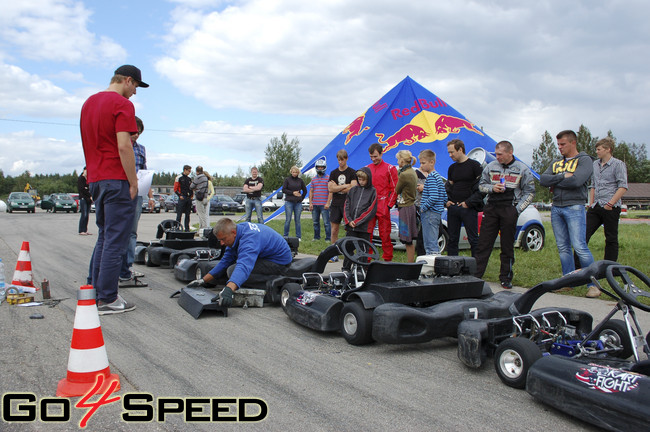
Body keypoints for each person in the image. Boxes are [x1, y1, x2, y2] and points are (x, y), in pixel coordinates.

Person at [80, 64, 148, 315]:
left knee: (104, 237)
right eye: (136, 87)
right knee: (116, 242)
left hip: (96, 179)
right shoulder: (122, 104)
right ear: (128, 81)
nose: (135, 93)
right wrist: (133, 181)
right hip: (116, 179)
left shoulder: (88, 103)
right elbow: (124, 145)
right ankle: (108, 298)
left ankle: (94, 291)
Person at [540, 130, 596, 297]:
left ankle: (593, 285)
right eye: (558, 144)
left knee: (579, 246)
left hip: (575, 207)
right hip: (556, 207)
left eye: (563, 144)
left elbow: (577, 181)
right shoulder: (557, 162)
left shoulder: (585, 160)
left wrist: (555, 181)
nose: (560, 148)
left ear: (573, 143)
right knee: (563, 247)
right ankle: (567, 282)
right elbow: (543, 179)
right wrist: (563, 176)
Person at [186, 218, 293, 305]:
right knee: (231, 270)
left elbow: (244, 266)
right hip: (266, 257)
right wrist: (203, 281)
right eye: (220, 240)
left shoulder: (249, 239)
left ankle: (275, 283)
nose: (222, 243)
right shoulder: (237, 233)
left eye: (223, 239)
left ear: (233, 232)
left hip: (279, 263)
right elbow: (225, 261)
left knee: (232, 271)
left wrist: (228, 290)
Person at [474, 141, 535, 289]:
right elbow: (481, 186)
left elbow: (530, 192)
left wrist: (517, 210)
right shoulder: (490, 166)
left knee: (507, 246)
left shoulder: (522, 169)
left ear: (510, 153)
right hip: (492, 208)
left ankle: (506, 277)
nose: (498, 157)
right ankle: (475, 276)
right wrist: (492, 188)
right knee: (483, 244)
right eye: (496, 154)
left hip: (509, 209)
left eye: (500, 154)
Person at [118, 116, 154, 287]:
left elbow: (145, 173)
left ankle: (127, 268)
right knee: (117, 232)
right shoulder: (118, 146)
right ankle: (114, 269)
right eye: (134, 132)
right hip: (120, 191)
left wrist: (151, 196)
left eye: (139, 132)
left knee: (132, 233)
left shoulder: (141, 149)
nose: (136, 135)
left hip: (137, 195)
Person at [584, 137, 628, 264]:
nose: (597, 152)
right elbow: (593, 185)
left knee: (611, 238)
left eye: (599, 149)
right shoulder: (595, 165)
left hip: (611, 207)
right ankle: (578, 265)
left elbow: (623, 186)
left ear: (608, 149)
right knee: (584, 234)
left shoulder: (618, 164)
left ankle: (609, 266)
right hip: (596, 206)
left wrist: (610, 204)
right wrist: (591, 203)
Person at [445, 139, 483, 257]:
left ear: (460, 149)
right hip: (453, 207)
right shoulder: (452, 168)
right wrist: (446, 201)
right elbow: (448, 187)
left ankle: (476, 267)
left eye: (452, 152)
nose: (450, 155)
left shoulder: (475, 166)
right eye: (449, 153)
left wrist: (468, 203)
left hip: (468, 208)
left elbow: (481, 189)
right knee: (452, 239)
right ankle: (451, 266)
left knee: (473, 239)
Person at [366, 143, 399, 261]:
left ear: (381, 153)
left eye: (375, 156)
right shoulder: (367, 168)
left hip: (383, 204)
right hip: (370, 205)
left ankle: (387, 258)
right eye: (371, 157)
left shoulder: (390, 168)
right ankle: (368, 257)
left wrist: (389, 204)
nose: (373, 159)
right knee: (368, 232)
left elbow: (395, 188)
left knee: (385, 233)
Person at [343, 167, 377, 271]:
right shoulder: (353, 190)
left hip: (364, 228)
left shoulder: (373, 191)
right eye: (359, 179)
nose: (361, 182)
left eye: (363, 179)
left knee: (363, 249)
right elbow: (346, 206)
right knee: (348, 248)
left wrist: (357, 222)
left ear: (368, 179)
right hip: (351, 227)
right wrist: (348, 221)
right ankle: (346, 268)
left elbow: (371, 210)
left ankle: (361, 269)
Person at [328, 149, 357, 261]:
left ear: (346, 159)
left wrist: (338, 187)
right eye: (339, 160)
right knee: (334, 229)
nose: (340, 162)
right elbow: (330, 189)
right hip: (335, 204)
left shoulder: (352, 172)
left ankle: (348, 253)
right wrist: (345, 186)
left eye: (342, 160)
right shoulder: (333, 173)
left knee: (349, 230)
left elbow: (353, 188)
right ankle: (333, 253)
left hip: (347, 204)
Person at [419, 150, 447, 255]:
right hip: (437, 213)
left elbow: (434, 196)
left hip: (430, 213)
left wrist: (423, 207)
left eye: (423, 163)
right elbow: (444, 196)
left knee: (430, 244)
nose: (421, 166)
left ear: (432, 162)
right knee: (433, 242)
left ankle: (433, 266)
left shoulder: (431, 177)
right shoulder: (438, 176)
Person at [394, 150, 418, 262]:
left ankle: (410, 262)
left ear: (402, 160)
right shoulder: (411, 171)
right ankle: (410, 261)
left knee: (407, 239)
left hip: (405, 206)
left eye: (398, 159)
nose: (397, 161)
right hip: (410, 205)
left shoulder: (404, 174)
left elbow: (397, 189)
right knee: (409, 239)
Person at [309, 159, 332, 241]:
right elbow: (311, 191)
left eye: (322, 167)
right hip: (315, 204)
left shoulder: (328, 178)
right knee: (315, 223)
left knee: (326, 223)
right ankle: (316, 237)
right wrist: (310, 203)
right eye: (318, 167)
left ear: (324, 168)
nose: (320, 169)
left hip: (324, 205)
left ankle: (328, 238)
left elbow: (330, 192)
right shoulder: (313, 179)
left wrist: (328, 203)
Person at [282, 166, 307, 239]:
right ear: (291, 172)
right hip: (289, 202)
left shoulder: (300, 181)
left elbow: (305, 191)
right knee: (288, 219)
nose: (294, 173)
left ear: (298, 173)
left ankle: (298, 237)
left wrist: (301, 198)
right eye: (293, 172)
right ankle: (285, 236)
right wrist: (293, 193)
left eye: (296, 172)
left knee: (297, 220)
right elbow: (284, 190)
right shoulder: (287, 180)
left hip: (298, 203)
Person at [174, 165, 193, 231]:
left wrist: (191, 196)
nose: (189, 172)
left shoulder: (189, 179)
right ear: (185, 170)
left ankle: (187, 229)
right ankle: (177, 227)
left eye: (190, 171)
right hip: (182, 198)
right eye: (189, 171)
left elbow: (191, 188)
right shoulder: (179, 177)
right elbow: (175, 189)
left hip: (188, 198)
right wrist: (180, 195)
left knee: (187, 215)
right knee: (179, 214)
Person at [77, 167, 92, 235]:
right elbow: (82, 189)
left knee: (87, 215)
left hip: (89, 199)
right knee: (84, 214)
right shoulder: (81, 179)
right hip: (83, 198)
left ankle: (85, 230)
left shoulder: (89, 179)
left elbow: (89, 188)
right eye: (86, 171)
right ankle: (81, 230)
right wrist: (89, 194)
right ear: (84, 171)